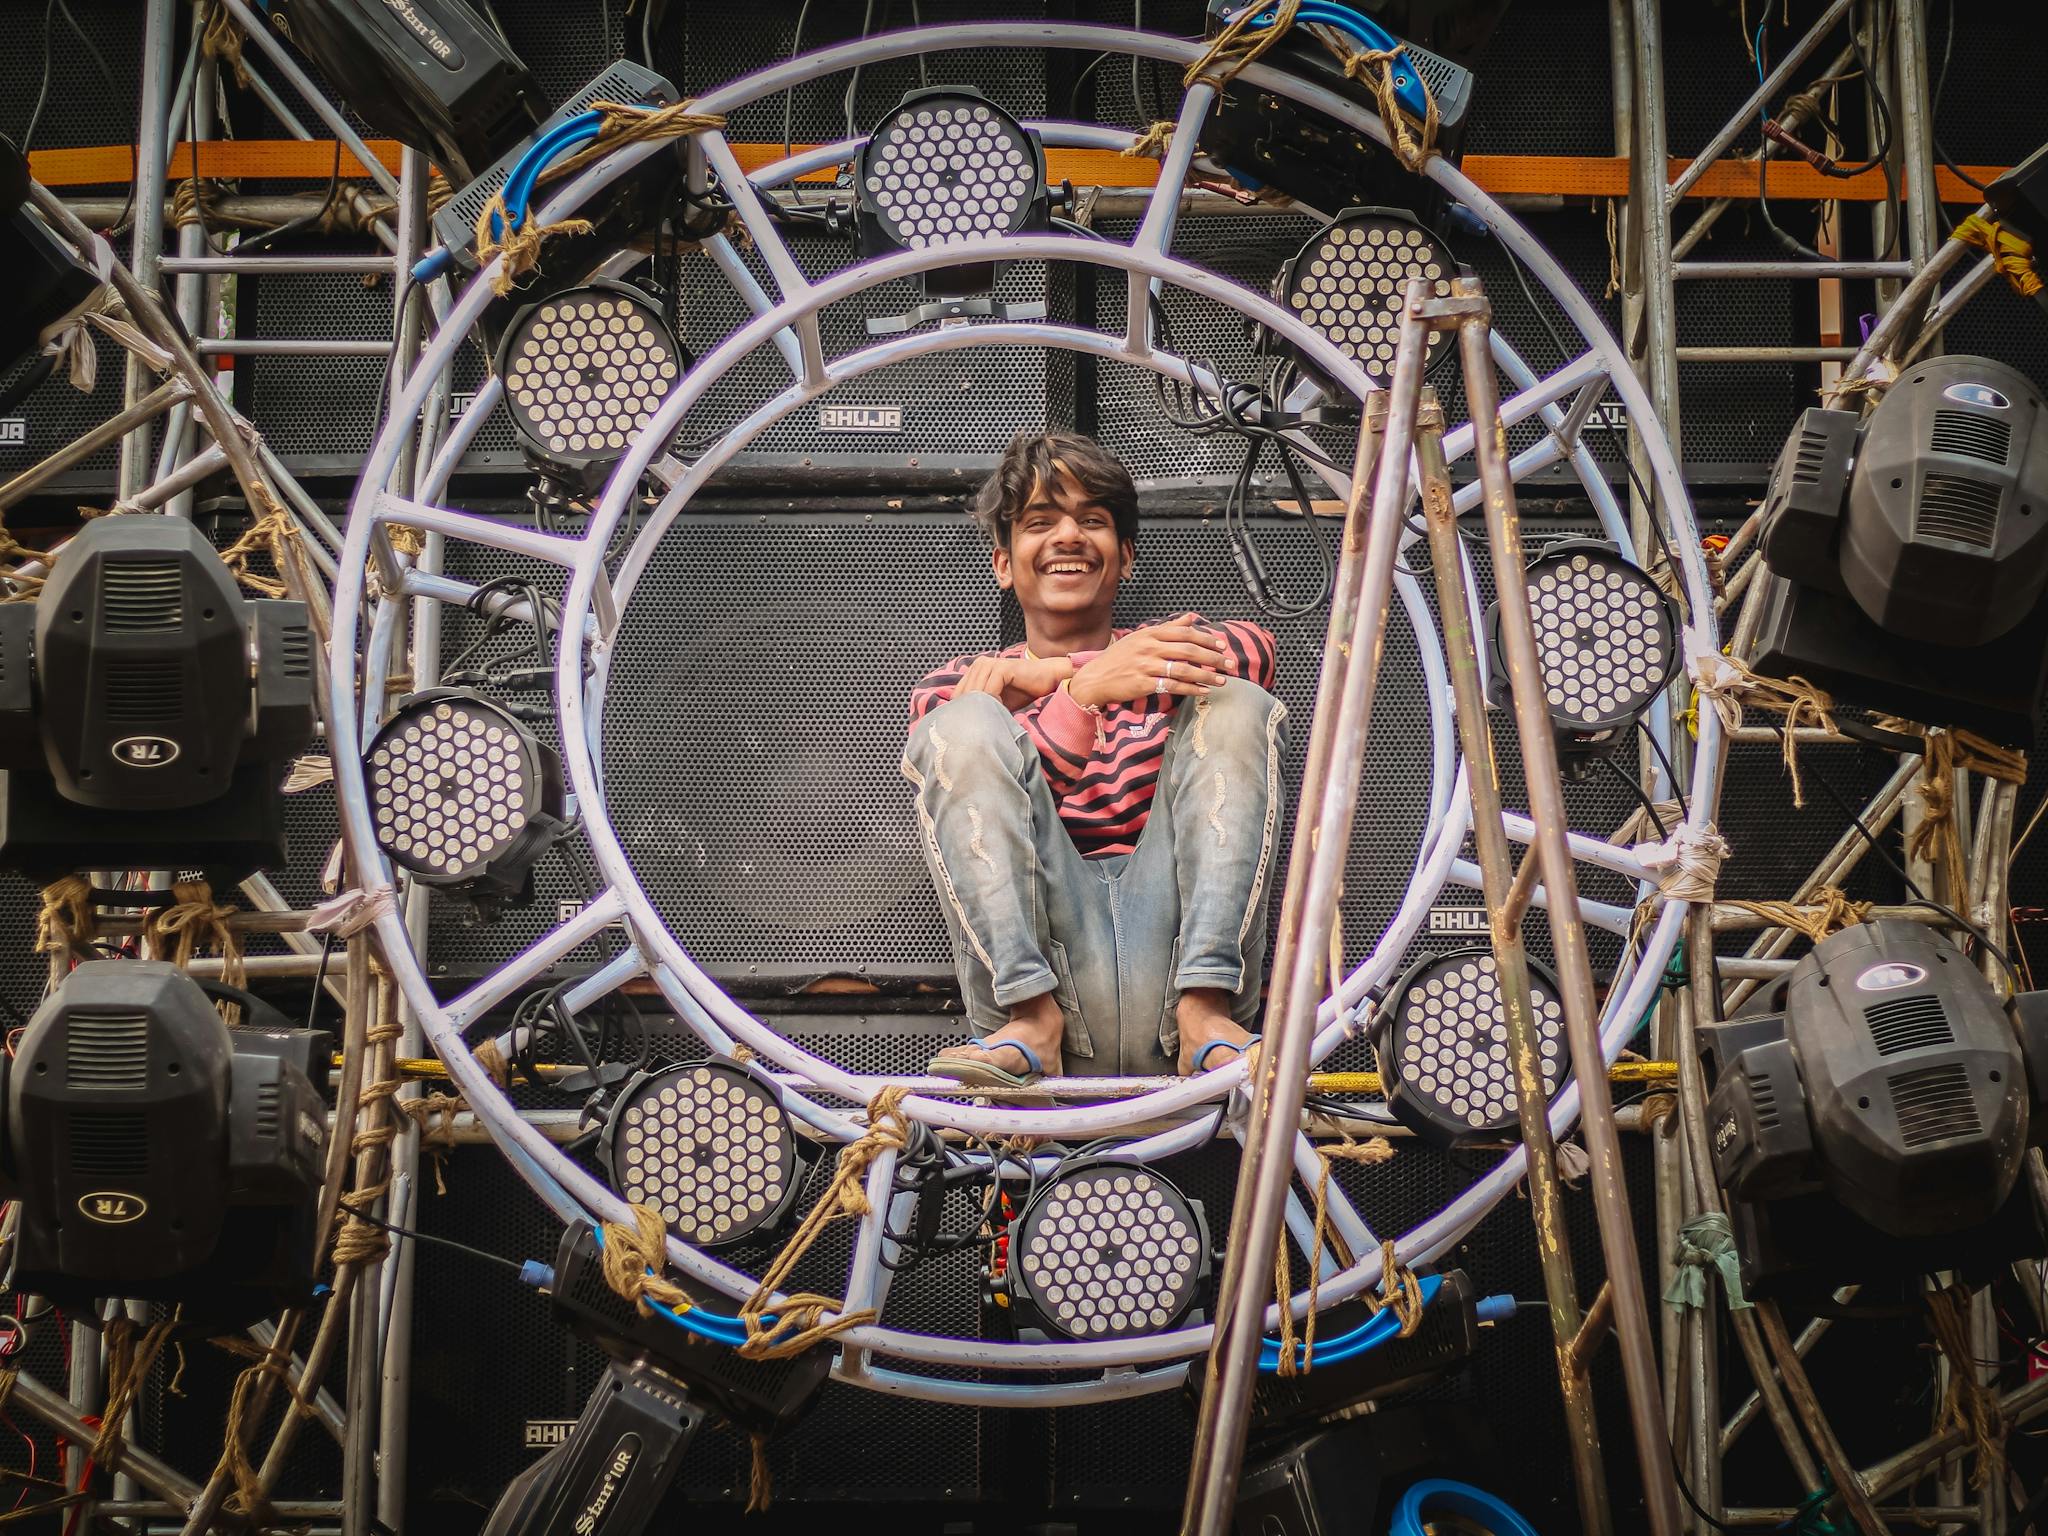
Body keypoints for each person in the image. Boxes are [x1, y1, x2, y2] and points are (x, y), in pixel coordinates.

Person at [902, 431, 1289, 1086]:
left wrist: (1074, 674)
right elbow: (992, 790)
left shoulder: (1158, 652)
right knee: (960, 729)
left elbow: (1254, 649)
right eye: (1039, 522)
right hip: (1051, 985)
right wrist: (1081, 693)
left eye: (1092, 520)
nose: (1068, 537)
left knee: (1235, 702)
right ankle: (1028, 1017)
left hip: (1176, 971)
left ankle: (1206, 1010)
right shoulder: (963, 686)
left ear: (1125, 556)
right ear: (1004, 563)